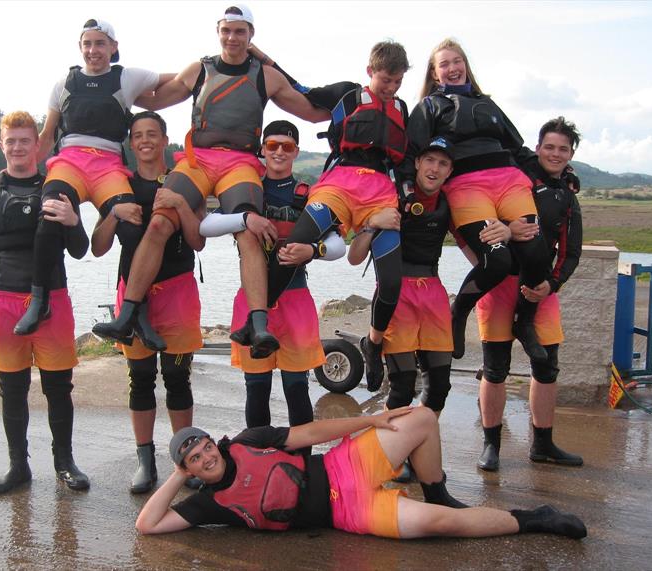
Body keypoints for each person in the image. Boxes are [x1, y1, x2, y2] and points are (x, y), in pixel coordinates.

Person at [93, 4, 329, 359]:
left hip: (240, 163)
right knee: (159, 220)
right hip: (198, 160)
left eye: (240, 32)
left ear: (251, 37)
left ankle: (259, 322)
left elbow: (312, 112)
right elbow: (150, 95)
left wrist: (354, 103)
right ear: (218, 32)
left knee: (247, 232)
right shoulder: (199, 70)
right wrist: (109, 79)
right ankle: (126, 314)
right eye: (226, 31)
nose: (232, 38)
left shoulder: (266, 75)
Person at [135, 407, 587, 541]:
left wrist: (368, 422)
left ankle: (437, 491)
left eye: (204, 446)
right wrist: (174, 477)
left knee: (420, 418)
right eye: (193, 458)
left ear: (216, 442)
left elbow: (310, 430)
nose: (204, 457)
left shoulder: (250, 439)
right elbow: (148, 524)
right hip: (350, 513)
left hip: (341, 465)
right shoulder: (206, 504)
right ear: (190, 468)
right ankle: (535, 518)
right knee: (440, 528)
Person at [252, 41, 411, 391]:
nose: (392, 88)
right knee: (294, 245)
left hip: (381, 193)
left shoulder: (402, 108)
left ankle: (374, 342)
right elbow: (299, 89)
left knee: (392, 282)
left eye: (398, 82)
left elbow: (409, 160)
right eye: (386, 80)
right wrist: (263, 57)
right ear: (370, 71)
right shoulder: (346, 96)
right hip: (340, 182)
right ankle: (259, 319)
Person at [13, 19, 178, 345]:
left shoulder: (127, 77)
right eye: (87, 44)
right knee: (49, 214)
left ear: (113, 47)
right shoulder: (64, 84)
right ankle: (40, 300)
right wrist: (24, 171)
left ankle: (134, 313)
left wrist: (206, 71)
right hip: (70, 163)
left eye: (100, 44)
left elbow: (175, 79)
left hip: (107, 168)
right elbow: (47, 135)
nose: (93, 51)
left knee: (133, 226)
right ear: (80, 47)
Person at [0, 111, 90, 494]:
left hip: (53, 299)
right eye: (11, 141)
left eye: (25, 140)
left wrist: (72, 220)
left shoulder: (58, 190)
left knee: (58, 387)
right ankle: (19, 466)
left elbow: (81, 249)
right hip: (4, 301)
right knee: (12, 389)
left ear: (38, 144)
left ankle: (64, 463)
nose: (18, 148)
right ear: (1, 145)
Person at [404, 38, 549, 363]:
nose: (453, 68)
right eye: (445, 64)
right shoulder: (428, 107)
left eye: (458, 61)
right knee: (498, 260)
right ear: (434, 72)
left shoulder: (488, 104)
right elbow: (413, 154)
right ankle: (460, 311)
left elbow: (519, 150)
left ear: (465, 65)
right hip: (467, 186)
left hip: (509, 180)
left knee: (537, 251)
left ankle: (524, 322)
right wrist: (405, 194)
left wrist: (558, 176)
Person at [348, 137, 510, 416]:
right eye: (430, 160)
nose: (435, 168)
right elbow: (354, 257)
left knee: (438, 388)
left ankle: (419, 446)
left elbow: (472, 252)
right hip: (396, 295)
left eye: (443, 163)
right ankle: (390, 453)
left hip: (432, 293)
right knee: (402, 388)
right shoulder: (392, 198)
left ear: (449, 172)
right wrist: (372, 223)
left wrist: (504, 233)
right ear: (418, 164)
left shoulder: (449, 204)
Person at [200, 120, 345, 431]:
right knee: (256, 389)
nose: (280, 152)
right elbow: (206, 226)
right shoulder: (244, 190)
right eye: (273, 145)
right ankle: (259, 456)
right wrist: (245, 217)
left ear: (296, 152)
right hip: (252, 302)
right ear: (262, 150)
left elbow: (338, 245)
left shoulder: (308, 194)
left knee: (296, 387)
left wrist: (313, 251)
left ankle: (301, 461)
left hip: (296, 299)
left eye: (288, 147)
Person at [90, 111, 205, 493]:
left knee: (176, 378)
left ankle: (185, 461)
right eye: (138, 135)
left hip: (176, 289)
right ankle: (144, 461)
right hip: (132, 293)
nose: (145, 141)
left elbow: (197, 240)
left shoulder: (185, 181)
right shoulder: (119, 184)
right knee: (139, 380)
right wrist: (111, 212)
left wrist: (182, 205)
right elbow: (99, 245)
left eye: (152, 134)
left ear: (164, 138)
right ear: (130, 141)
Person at [475, 117, 584, 471]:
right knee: (495, 369)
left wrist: (551, 285)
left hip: (540, 290)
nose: (555, 154)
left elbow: (570, 252)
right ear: (537, 148)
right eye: (549, 147)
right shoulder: (512, 177)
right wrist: (505, 229)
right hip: (499, 285)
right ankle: (491, 446)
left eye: (562, 149)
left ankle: (543, 444)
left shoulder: (567, 195)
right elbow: (479, 216)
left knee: (547, 367)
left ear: (571, 155)